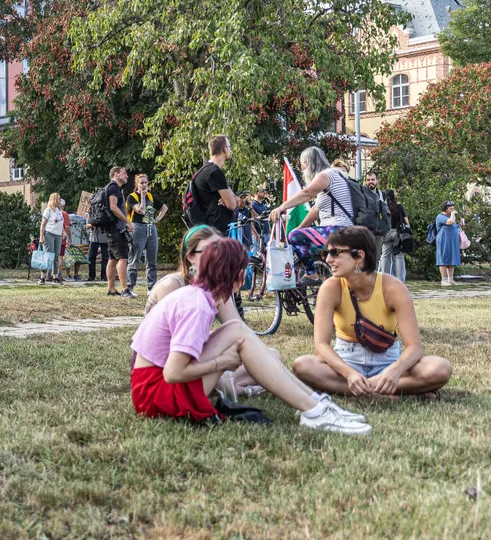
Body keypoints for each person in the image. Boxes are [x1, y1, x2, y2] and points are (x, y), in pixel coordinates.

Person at [131, 237, 371, 434]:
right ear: (234, 274)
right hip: (155, 394)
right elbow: (172, 373)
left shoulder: (200, 296)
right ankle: (314, 409)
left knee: (236, 330)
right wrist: (221, 363)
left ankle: (314, 403)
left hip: (153, 385)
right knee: (238, 334)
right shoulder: (196, 305)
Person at [292, 226, 452, 398]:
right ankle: (388, 392)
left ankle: (360, 389)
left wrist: (395, 370)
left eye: (335, 253)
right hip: (345, 361)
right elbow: (321, 345)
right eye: (326, 254)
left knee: (440, 368)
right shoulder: (330, 288)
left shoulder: (393, 288)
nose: (329, 259)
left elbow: (414, 347)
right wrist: (349, 374)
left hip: (387, 361)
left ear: (359, 256)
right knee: (302, 365)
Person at [146, 225, 279, 397]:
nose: (218, 256)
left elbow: (238, 328)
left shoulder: (217, 285)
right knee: (261, 364)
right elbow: (175, 347)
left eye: (220, 249)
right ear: (191, 257)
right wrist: (220, 358)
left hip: (197, 358)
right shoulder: (172, 286)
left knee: (273, 356)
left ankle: (231, 386)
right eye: (209, 251)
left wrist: (259, 354)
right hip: (171, 365)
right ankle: (237, 388)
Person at [269, 146, 353, 282]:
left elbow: (307, 194)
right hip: (347, 229)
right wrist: (301, 226)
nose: (302, 169)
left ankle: (311, 274)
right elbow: (316, 209)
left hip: (337, 230)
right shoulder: (336, 175)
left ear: (307, 162)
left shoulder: (325, 175)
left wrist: (281, 207)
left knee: (295, 237)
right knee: (300, 233)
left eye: (302, 164)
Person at [127, 174, 166, 293]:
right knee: (135, 258)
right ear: (137, 184)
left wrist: (157, 219)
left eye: (146, 183)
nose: (144, 185)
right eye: (141, 183)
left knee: (152, 259)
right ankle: (130, 286)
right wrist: (142, 197)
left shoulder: (151, 196)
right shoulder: (132, 197)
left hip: (151, 227)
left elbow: (164, 208)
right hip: (138, 227)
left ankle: (151, 287)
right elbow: (141, 211)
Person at [191, 135, 236, 235]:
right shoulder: (214, 172)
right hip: (217, 231)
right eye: (229, 147)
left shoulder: (204, 170)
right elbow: (232, 204)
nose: (230, 150)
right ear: (224, 149)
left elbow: (233, 200)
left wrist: (230, 197)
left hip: (209, 230)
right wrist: (230, 197)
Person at [105, 166, 135, 298]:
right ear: (116, 174)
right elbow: (113, 207)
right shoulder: (113, 187)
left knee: (112, 259)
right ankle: (124, 289)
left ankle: (111, 289)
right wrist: (127, 221)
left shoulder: (113, 188)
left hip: (112, 228)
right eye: (124, 173)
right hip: (116, 228)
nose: (127, 176)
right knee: (123, 257)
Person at [380, 190, 409, 281]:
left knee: (385, 255)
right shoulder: (399, 207)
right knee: (399, 256)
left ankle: (385, 279)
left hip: (386, 232)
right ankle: (400, 280)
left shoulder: (383, 207)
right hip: (398, 233)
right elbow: (406, 221)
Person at [37, 193, 64, 285]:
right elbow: (43, 224)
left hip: (58, 235)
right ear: (54, 199)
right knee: (48, 256)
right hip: (49, 234)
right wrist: (41, 236)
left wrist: (63, 232)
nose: (60, 200)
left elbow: (61, 222)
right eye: (59, 198)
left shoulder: (59, 210)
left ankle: (55, 277)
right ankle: (42, 277)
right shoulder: (48, 210)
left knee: (56, 256)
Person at [435, 201, 462, 286]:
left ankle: (451, 279)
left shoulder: (450, 217)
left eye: (453, 208)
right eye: (451, 209)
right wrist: (453, 214)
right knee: (443, 259)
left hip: (452, 242)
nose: (453, 210)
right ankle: (444, 280)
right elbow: (450, 222)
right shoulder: (441, 217)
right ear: (445, 209)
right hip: (443, 241)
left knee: (452, 260)